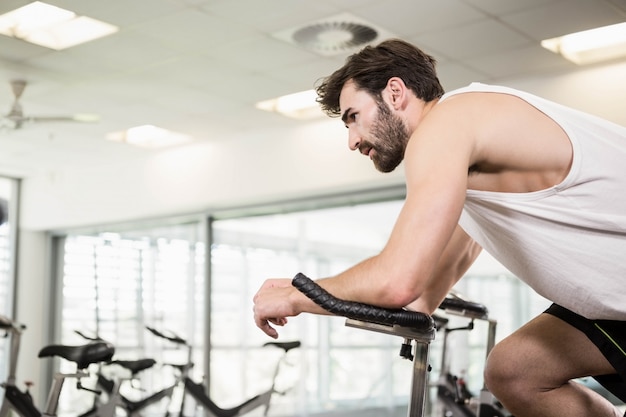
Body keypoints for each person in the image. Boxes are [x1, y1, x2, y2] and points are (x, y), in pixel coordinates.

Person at [252, 38, 626, 417]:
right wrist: (317, 297)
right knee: (515, 371)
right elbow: (419, 299)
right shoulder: (469, 170)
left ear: (395, 92)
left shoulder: (446, 124)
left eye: (353, 116)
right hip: (612, 303)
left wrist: (297, 295)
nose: (352, 141)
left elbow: (397, 281)